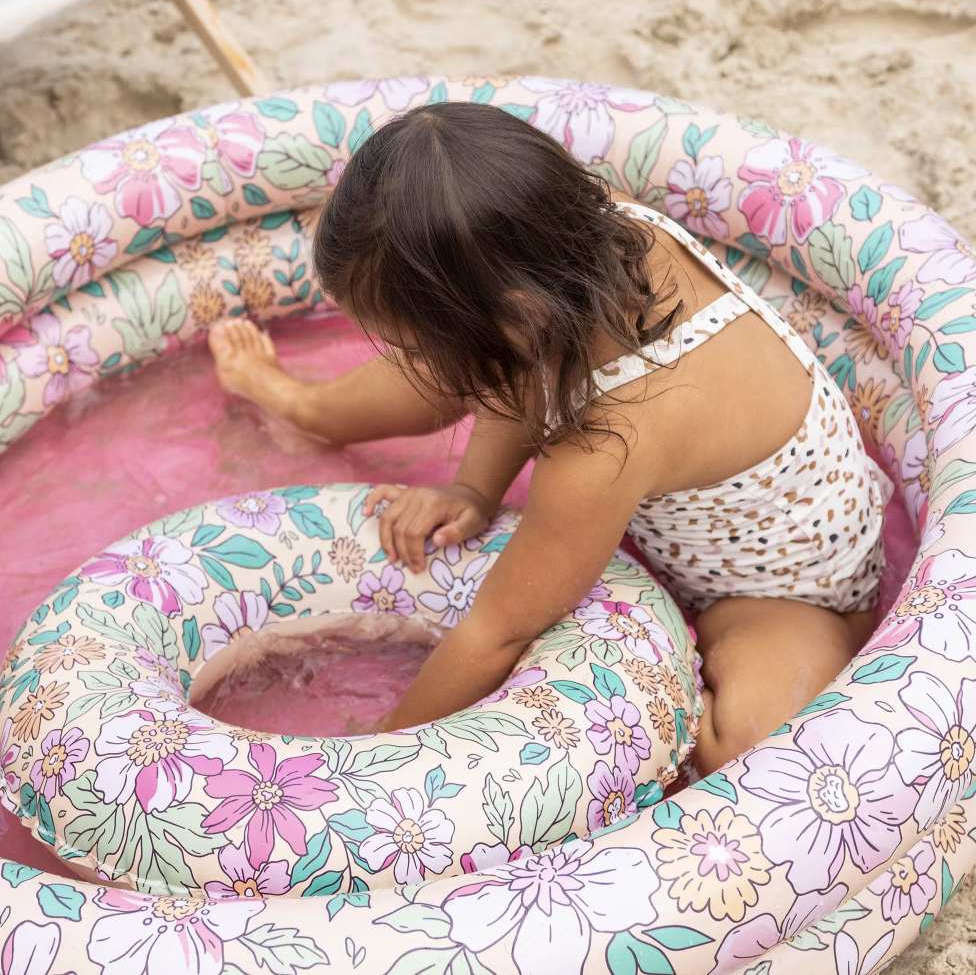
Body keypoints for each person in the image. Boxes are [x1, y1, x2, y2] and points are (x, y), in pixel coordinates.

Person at [208, 101, 887, 775]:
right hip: (613, 429)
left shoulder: (606, 440)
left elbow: (498, 630)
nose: (403, 355)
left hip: (780, 588)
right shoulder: (588, 243)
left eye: (407, 343)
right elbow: (534, 364)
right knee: (456, 369)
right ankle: (304, 404)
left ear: (517, 316)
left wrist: (380, 753)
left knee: (750, 752)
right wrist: (476, 487)